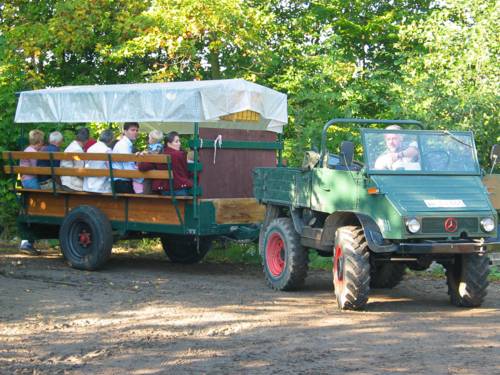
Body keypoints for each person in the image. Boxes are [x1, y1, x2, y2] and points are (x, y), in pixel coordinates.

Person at [138, 131, 193, 196]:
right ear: (168, 143)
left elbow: (142, 167)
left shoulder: (159, 154)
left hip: (164, 190)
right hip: (180, 188)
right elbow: (188, 171)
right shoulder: (180, 154)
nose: (179, 143)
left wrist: (143, 157)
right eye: (176, 141)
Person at [19, 129, 45, 255]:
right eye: (42, 142)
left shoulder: (27, 150)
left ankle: (28, 242)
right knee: (38, 208)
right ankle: (27, 242)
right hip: (31, 181)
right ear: (39, 142)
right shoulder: (33, 152)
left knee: (30, 209)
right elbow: (38, 170)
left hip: (26, 181)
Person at [112, 122, 140, 193]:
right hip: (122, 182)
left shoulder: (124, 144)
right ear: (125, 131)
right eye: (132, 130)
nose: (135, 132)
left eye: (137, 130)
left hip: (121, 181)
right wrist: (141, 179)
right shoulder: (124, 145)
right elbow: (128, 168)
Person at [140, 130, 164, 194]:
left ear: (153, 139)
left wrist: (145, 154)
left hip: (153, 174)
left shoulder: (157, 147)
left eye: (149, 137)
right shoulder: (154, 147)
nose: (148, 139)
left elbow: (154, 155)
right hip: (154, 174)